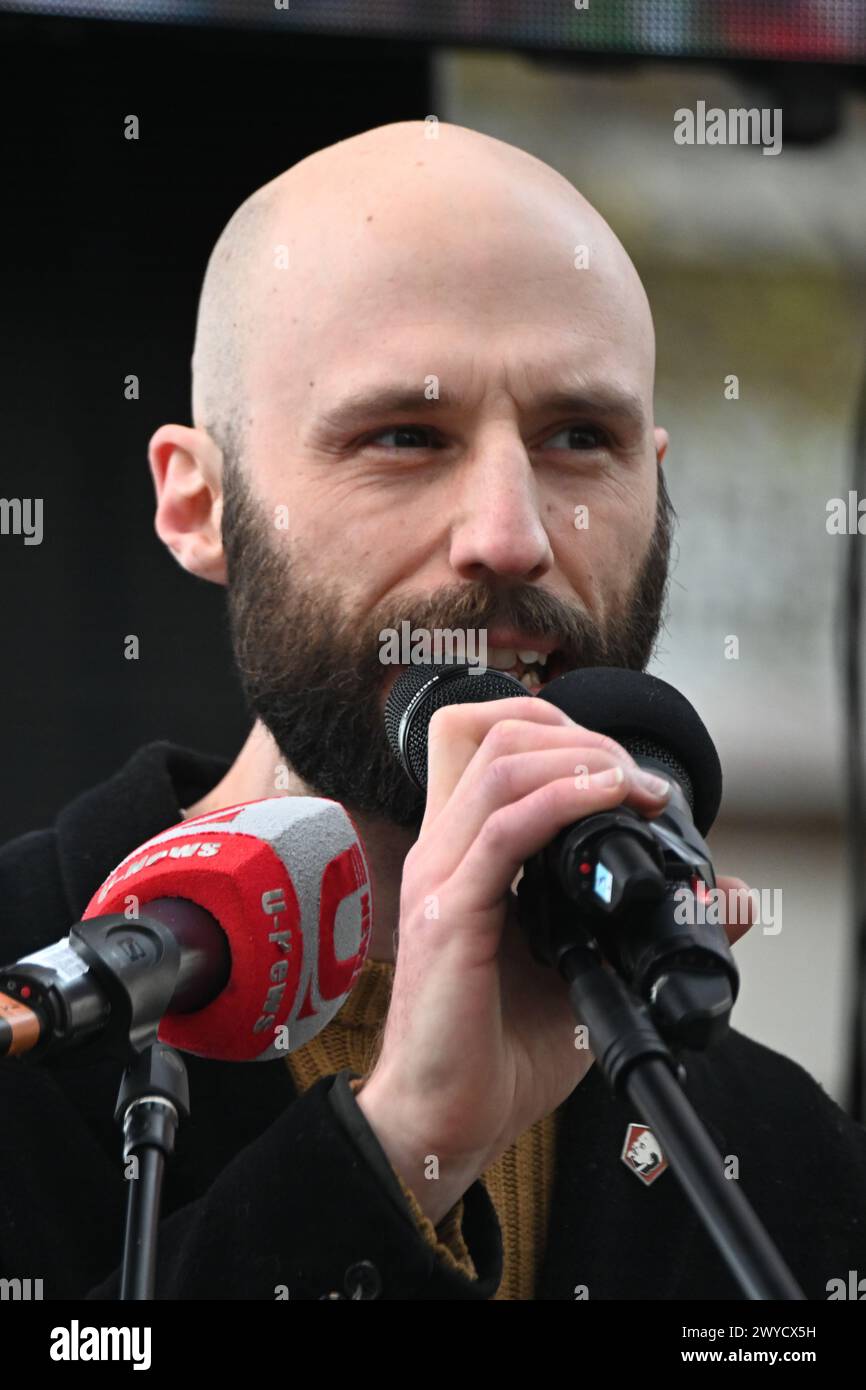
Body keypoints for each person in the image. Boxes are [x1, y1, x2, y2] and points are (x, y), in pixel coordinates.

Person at [1, 120, 864, 1301]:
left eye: (579, 438)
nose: (508, 534)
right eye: (404, 437)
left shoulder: (763, 1147)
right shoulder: (23, 1012)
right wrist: (405, 1139)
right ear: (198, 504)